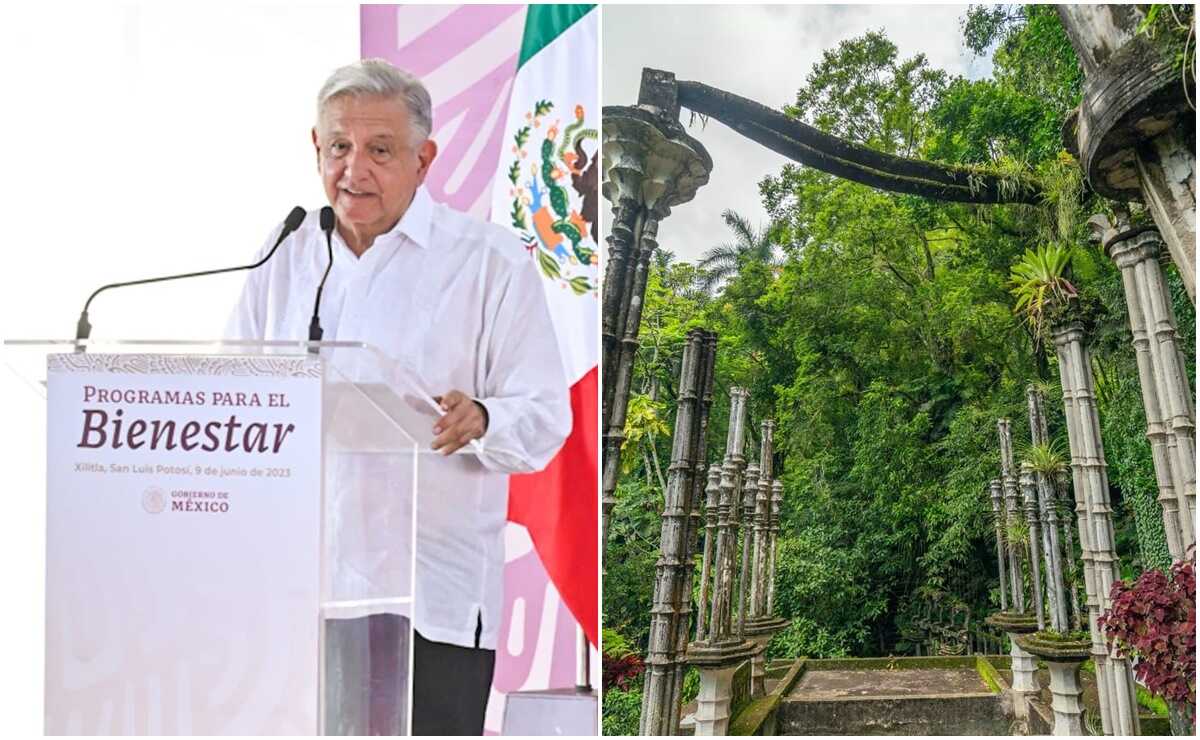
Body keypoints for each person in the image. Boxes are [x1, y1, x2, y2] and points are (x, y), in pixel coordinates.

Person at [226, 58, 571, 735]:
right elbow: (234, 396)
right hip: (299, 595)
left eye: (380, 150)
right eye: (339, 146)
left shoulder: (489, 262)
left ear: (424, 159)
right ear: (316, 148)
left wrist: (482, 418)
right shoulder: (284, 254)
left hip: (432, 602)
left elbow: (543, 416)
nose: (354, 168)